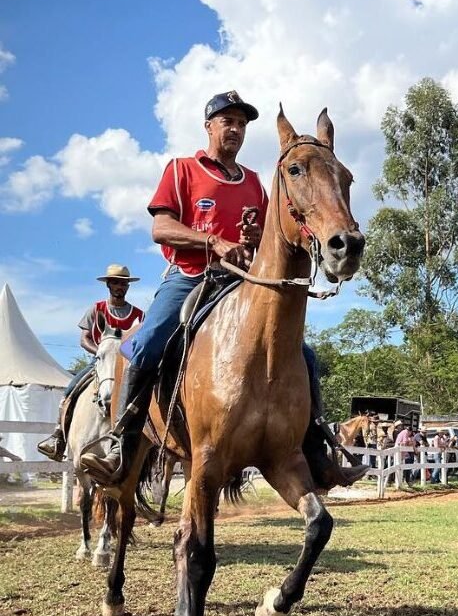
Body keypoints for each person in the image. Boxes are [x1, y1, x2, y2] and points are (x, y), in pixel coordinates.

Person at [81, 91, 367, 490]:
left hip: (240, 280)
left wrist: (254, 237)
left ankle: (318, 452)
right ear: (210, 127)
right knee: (145, 344)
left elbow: (273, 233)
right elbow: (160, 228)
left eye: (242, 123)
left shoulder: (253, 182)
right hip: (189, 277)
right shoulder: (182, 169)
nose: (235, 129)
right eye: (227, 121)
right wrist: (211, 241)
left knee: (304, 354)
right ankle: (119, 444)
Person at [37, 265, 144, 461]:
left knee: (147, 394)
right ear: (108, 285)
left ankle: (150, 447)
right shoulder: (96, 310)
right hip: (100, 362)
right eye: (116, 282)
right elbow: (83, 338)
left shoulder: (138, 315)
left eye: (124, 283)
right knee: (71, 388)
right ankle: (58, 436)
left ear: (128, 286)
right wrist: (102, 354)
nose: (120, 286)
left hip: (128, 367)